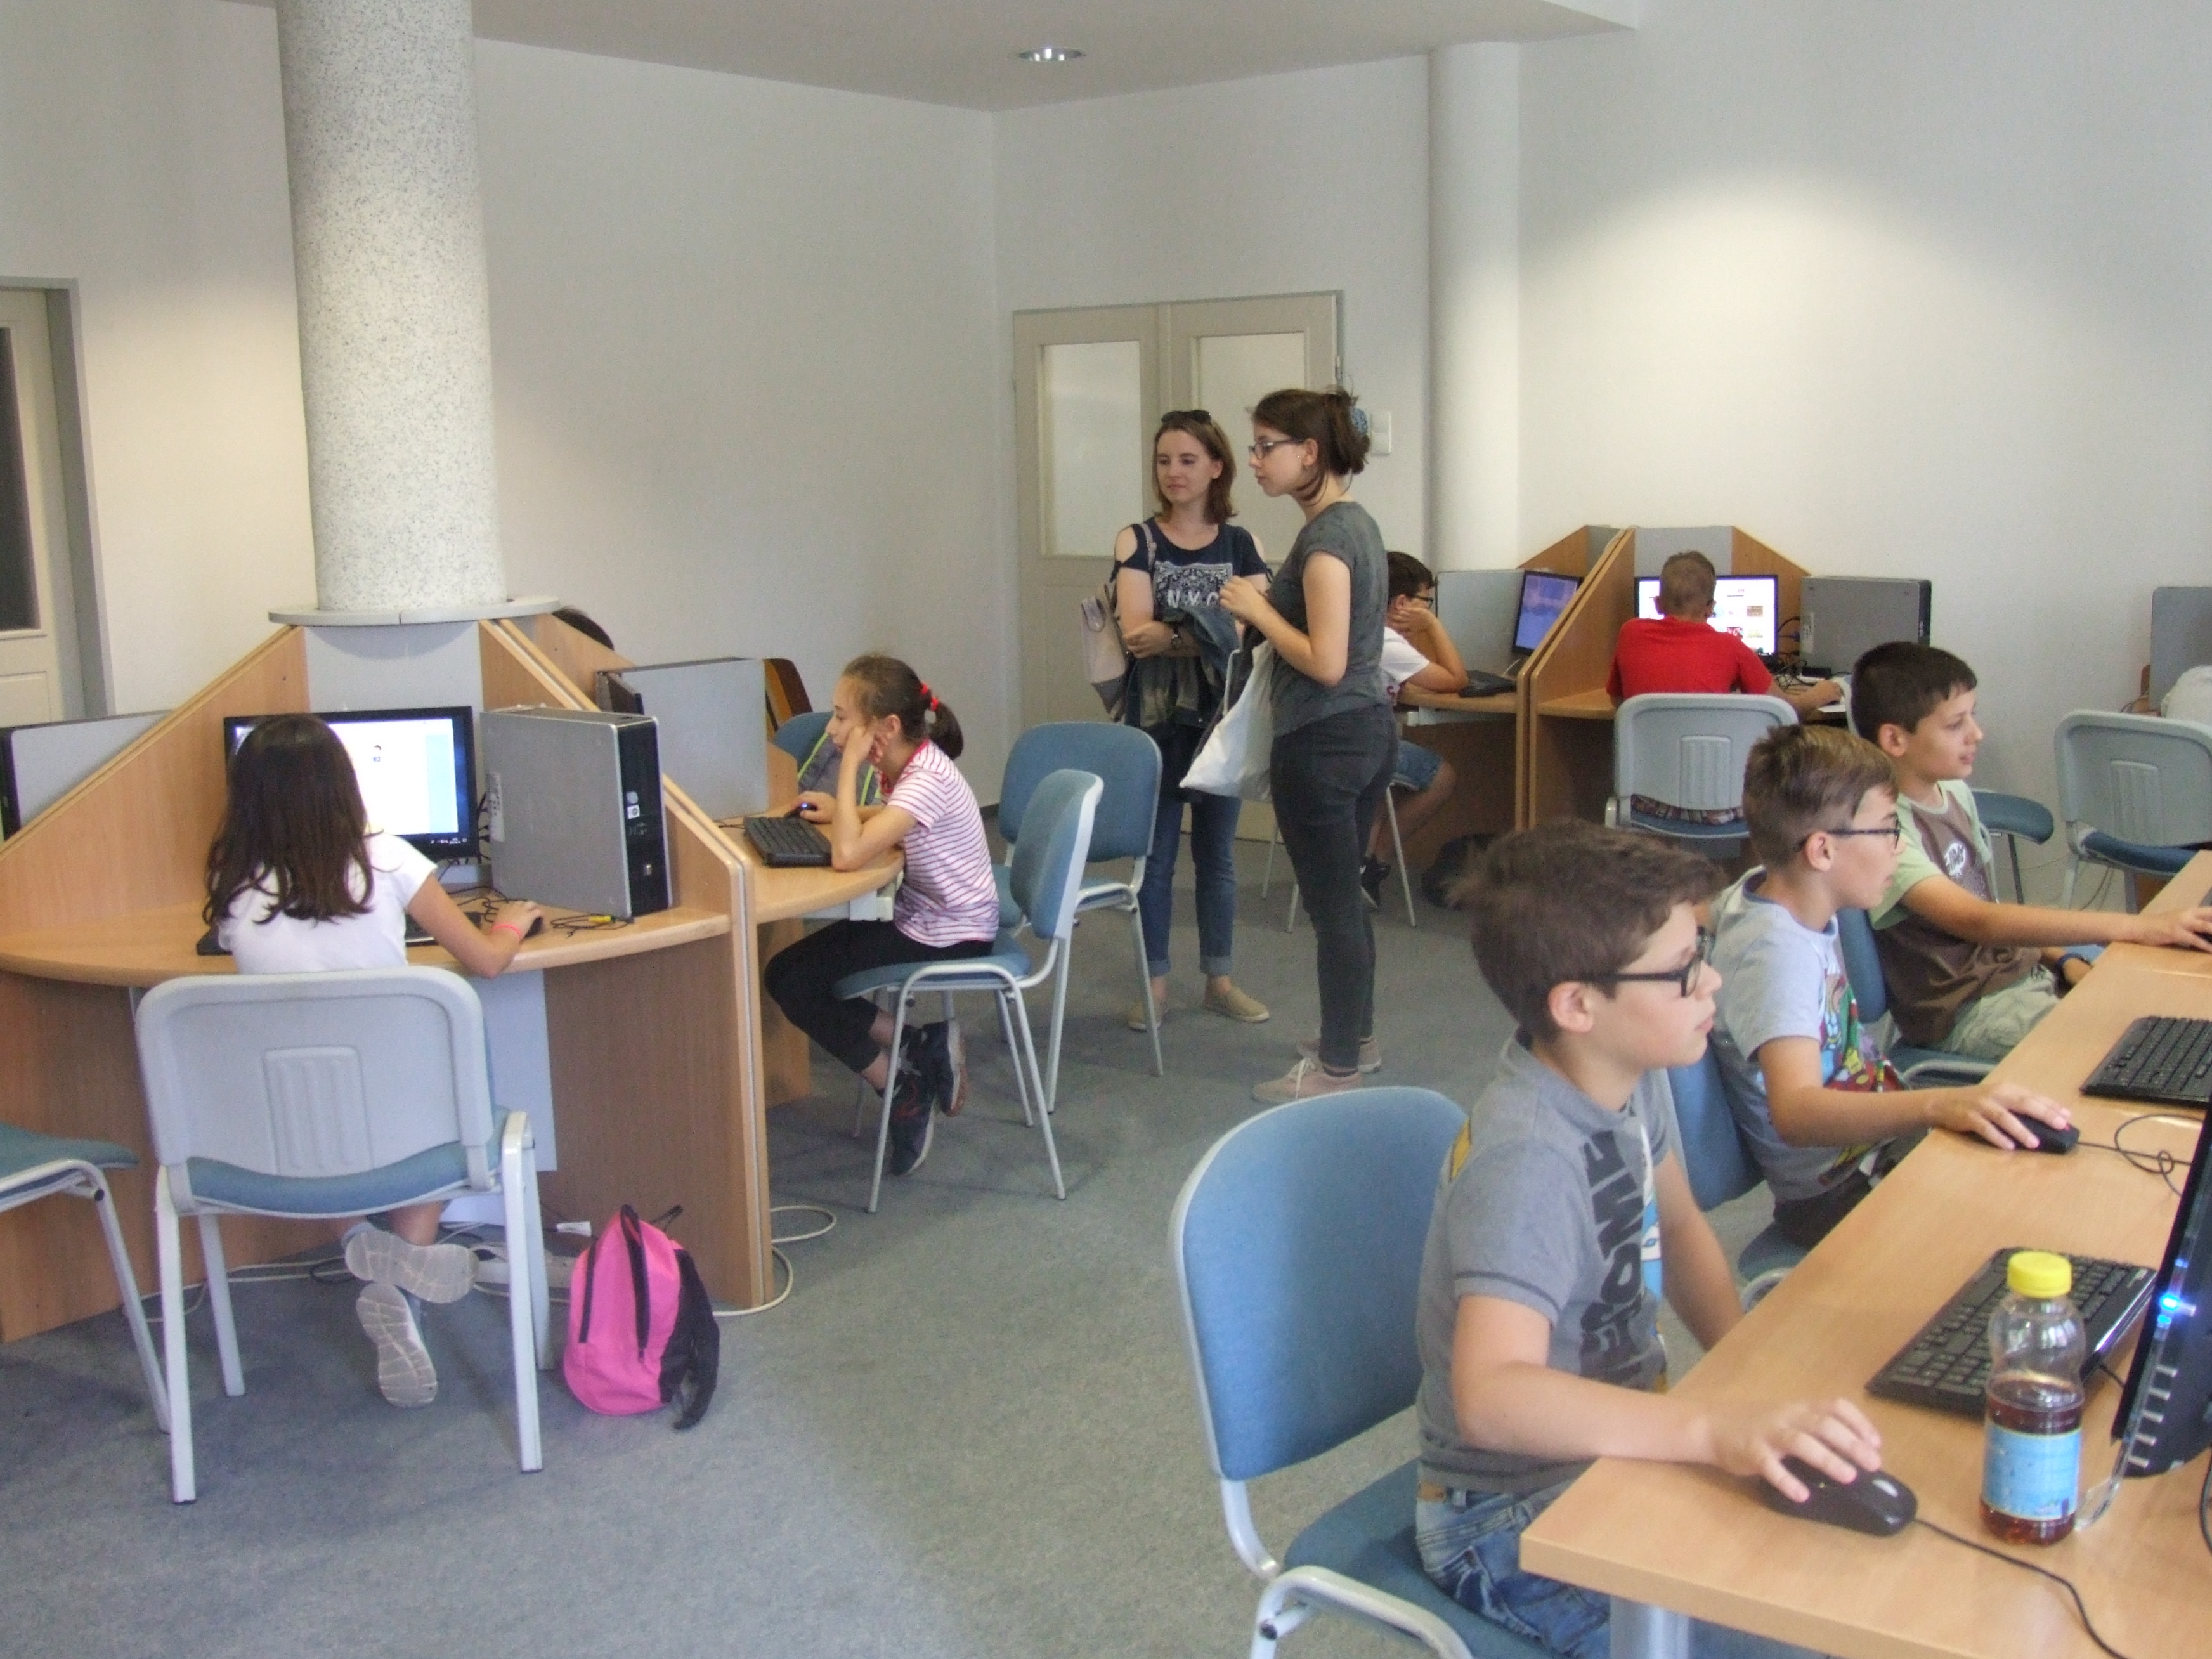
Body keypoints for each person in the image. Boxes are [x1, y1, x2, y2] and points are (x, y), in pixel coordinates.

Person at [1420, 819, 1878, 1659]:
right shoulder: (1528, 1161)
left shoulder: (1624, 1076)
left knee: (1842, 1579)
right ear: (1576, 1005)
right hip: (1507, 1519)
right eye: (1681, 972)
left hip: (1619, 1447)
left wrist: (1749, 1377)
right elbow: (1490, 1395)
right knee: (1794, 1635)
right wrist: (1708, 1433)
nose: (1711, 981)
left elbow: (1679, 1223)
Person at [204, 715, 545, 1408]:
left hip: (291, 1135)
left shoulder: (235, 886)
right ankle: (400, 1284)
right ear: (343, 785)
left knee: (320, 1114)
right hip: (404, 1123)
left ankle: (364, 1245)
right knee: (448, 1096)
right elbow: (484, 961)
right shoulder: (385, 860)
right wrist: (511, 923)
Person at [1709, 723, 2071, 1248]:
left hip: (1879, 1153)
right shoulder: (1775, 954)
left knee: (2041, 1166)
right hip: (1842, 1193)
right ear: (1822, 851)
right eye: (1887, 831)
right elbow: (1796, 1111)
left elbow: (1709, 911)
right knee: (2041, 1214)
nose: (1898, 849)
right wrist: (1936, 1105)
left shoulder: (1765, 894)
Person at [1854, 642, 2212, 1061]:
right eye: (1955, 725)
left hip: (2024, 978)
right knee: (2149, 1055)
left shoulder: (1952, 792)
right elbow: (1979, 921)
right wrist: (2139, 927)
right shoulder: (1885, 832)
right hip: (1971, 1013)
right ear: (1895, 739)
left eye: (1973, 716)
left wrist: (2063, 960)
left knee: (2173, 1013)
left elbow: (1995, 911)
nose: (1976, 734)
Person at [1220, 387, 1394, 1102]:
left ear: (1311, 453)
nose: (1256, 461)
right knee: (1345, 899)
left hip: (1324, 740)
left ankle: (1336, 1071)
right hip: (1364, 730)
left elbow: (1325, 661)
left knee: (1333, 910)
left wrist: (1257, 609)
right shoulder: (1356, 526)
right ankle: (1356, 1040)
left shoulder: (1325, 543)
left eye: (1267, 447)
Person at [765, 654, 998, 1177]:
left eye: (841, 717)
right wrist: (848, 812)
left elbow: (848, 855)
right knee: (788, 975)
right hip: (928, 915)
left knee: (795, 983)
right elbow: (897, 820)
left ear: (887, 727)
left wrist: (847, 770)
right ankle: (917, 1043)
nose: (831, 730)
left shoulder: (924, 779)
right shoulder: (914, 765)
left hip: (952, 932)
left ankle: (901, 1089)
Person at [1113, 410, 1272, 1032]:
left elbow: (1252, 629)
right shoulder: (1138, 541)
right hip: (1154, 722)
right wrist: (1210, 629)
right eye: (1164, 461)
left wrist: (1176, 631)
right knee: (1155, 860)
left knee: (1217, 857)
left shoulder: (1241, 544)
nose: (1173, 472)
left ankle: (1219, 981)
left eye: (1187, 460)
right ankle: (1154, 987)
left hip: (1220, 719)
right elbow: (1136, 634)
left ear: (1216, 467)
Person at [1608, 550, 1839, 719]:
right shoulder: (1731, 646)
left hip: (1646, 770)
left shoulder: (1630, 633)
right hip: (1709, 768)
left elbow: (1620, 702)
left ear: (1657, 604)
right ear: (1711, 608)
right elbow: (1786, 712)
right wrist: (1818, 695)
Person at [1365, 550, 1467, 907]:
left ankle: (1364, 863)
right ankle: (1374, 865)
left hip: (1330, 746)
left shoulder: (1358, 627)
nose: (1428, 608)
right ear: (1402, 603)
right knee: (1442, 776)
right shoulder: (1386, 641)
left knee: (1389, 778)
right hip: (1361, 749)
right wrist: (1433, 625)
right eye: (1426, 602)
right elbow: (1456, 679)